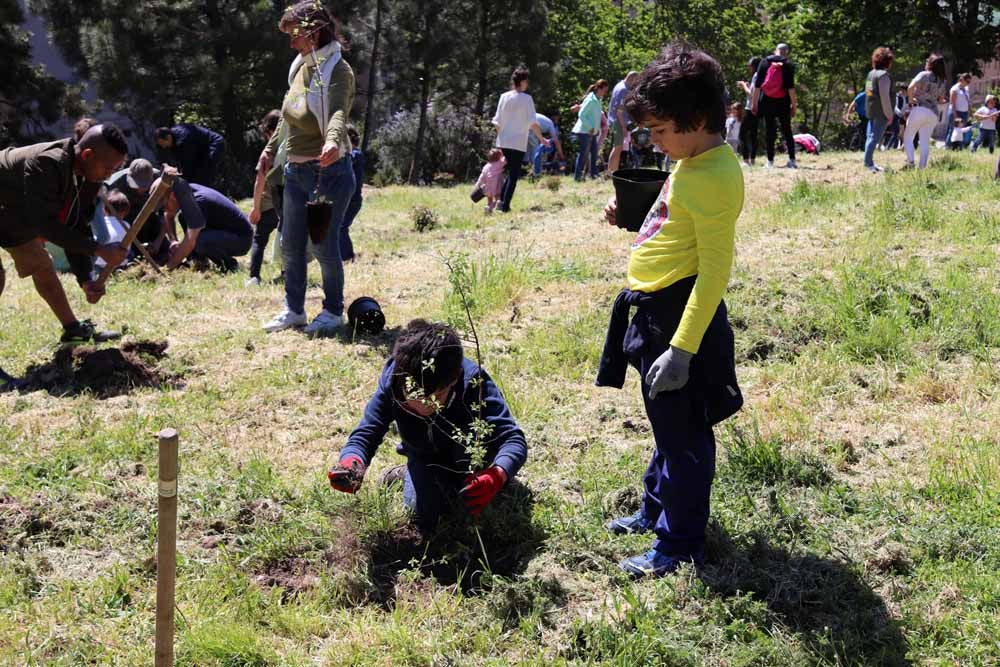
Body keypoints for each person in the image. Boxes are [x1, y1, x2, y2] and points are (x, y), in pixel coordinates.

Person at [598, 42, 743, 578]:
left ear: (697, 119)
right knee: (666, 426)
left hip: (681, 319)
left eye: (660, 131)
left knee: (683, 437)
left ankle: (679, 544)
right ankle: (654, 509)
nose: (654, 142)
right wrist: (635, 213)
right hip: (656, 311)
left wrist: (682, 351)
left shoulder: (714, 178)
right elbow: (676, 212)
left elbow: (714, 271)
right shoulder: (693, 162)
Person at [328, 319, 528, 530]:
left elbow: (512, 438)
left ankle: (471, 482)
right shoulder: (393, 381)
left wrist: (498, 473)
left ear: (455, 378)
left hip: (473, 463)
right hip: (425, 460)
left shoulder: (473, 383)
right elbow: (367, 433)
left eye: (438, 395)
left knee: (475, 512)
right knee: (423, 515)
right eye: (415, 394)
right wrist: (351, 463)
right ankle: (407, 474)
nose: (425, 405)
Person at [259, 1, 357, 336]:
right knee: (290, 243)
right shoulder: (299, 67)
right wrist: (270, 149)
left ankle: (332, 311)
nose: (291, 43)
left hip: (327, 173)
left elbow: (338, 114)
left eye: (294, 35)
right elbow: (289, 117)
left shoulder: (338, 71)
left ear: (313, 33)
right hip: (295, 173)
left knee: (323, 244)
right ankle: (294, 310)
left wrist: (332, 140)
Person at [0, 124, 129, 360]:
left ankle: (73, 330)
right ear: (88, 155)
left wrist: (85, 279)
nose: (110, 175)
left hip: (12, 214)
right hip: (13, 209)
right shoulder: (46, 163)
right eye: (109, 168)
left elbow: (76, 226)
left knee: (42, 265)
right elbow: (46, 226)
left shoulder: (89, 177)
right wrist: (99, 249)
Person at [158, 178, 252, 272]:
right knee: (183, 217)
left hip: (242, 239)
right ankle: (198, 260)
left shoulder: (199, 201)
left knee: (200, 241)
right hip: (223, 231)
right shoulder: (184, 191)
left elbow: (190, 241)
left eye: (164, 205)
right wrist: (173, 241)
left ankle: (230, 266)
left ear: (172, 196)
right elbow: (168, 214)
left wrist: (168, 268)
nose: (164, 209)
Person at [492, 67, 549, 213]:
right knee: (514, 174)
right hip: (517, 143)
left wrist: (502, 138)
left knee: (511, 171)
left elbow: (496, 122)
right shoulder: (527, 99)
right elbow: (533, 123)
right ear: (522, 82)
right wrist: (541, 138)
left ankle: (500, 202)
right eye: (526, 81)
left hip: (504, 141)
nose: (527, 84)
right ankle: (505, 206)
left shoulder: (504, 96)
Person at [247, 110, 282, 287]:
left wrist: (255, 207)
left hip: (268, 205)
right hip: (286, 205)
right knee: (287, 240)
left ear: (270, 131)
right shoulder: (290, 149)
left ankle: (254, 277)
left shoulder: (267, 154)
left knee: (259, 240)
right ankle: (286, 273)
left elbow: (259, 182)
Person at [752, 43, 798, 169]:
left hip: (767, 101)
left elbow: (757, 86)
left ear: (775, 51)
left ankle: (770, 161)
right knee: (787, 130)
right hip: (783, 102)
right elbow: (791, 89)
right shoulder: (788, 65)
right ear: (786, 52)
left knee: (770, 131)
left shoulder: (764, 62)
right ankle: (792, 160)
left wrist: (754, 103)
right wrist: (794, 106)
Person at [905, 54, 948, 169]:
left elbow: (910, 87)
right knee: (924, 141)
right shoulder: (942, 80)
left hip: (920, 109)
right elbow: (941, 99)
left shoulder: (923, 74)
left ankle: (910, 163)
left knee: (908, 136)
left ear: (930, 63)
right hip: (933, 113)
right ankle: (922, 167)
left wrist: (910, 100)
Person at [154, 123, 226, 189]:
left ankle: (209, 196)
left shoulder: (183, 139)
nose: (163, 147)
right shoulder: (173, 140)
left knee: (204, 174)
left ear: (168, 137)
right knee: (195, 175)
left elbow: (189, 164)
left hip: (214, 145)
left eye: (163, 143)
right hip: (202, 149)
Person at [863, 47, 895, 173]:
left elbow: (868, 92)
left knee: (870, 137)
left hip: (871, 109)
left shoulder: (871, 74)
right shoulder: (884, 76)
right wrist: (890, 114)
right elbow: (885, 97)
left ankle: (869, 162)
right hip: (881, 111)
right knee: (874, 138)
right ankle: (868, 164)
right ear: (887, 61)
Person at [571, 79, 607, 181]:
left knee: (594, 153)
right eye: (604, 90)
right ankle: (578, 177)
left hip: (593, 132)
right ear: (599, 89)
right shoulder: (590, 99)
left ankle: (594, 175)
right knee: (583, 155)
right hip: (585, 131)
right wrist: (590, 127)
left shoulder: (598, 99)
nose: (605, 93)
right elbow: (581, 114)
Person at [340, 125, 365, 262]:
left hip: (353, 200)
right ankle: (345, 256)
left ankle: (348, 256)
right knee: (340, 227)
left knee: (341, 227)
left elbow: (349, 159)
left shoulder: (356, 155)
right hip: (350, 199)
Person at [608, 72, 640, 174]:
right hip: (619, 122)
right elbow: (619, 112)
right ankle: (610, 172)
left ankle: (614, 171)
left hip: (615, 121)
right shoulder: (623, 90)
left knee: (618, 147)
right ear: (632, 78)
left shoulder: (619, 85)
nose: (635, 84)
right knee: (617, 148)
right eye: (636, 81)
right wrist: (623, 128)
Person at [93, 189, 131, 271]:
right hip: (118, 265)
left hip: (97, 263)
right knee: (131, 252)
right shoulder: (126, 225)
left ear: (104, 209)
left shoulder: (99, 223)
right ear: (125, 212)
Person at [736, 57, 761, 167]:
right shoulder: (762, 75)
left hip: (750, 108)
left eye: (750, 66)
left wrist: (743, 85)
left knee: (742, 134)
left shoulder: (756, 75)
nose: (749, 68)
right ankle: (753, 160)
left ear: (754, 66)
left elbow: (751, 94)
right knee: (753, 135)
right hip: (757, 109)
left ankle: (746, 160)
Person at [475, 148, 506, 214]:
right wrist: (503, 153)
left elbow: (482, 176)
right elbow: (505, 160)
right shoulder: (499, 163)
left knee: (489, 199)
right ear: (499, 157)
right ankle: (498, 205)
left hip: (488, 187)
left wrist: (478, 184)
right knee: (498, 197)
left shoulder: (486, 166)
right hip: (497, 185)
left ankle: (488, 207)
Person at [949, 73, 973, 147]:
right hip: (956, 112)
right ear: (962, 80)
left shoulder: (966, 89)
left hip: (964, 113)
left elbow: (967, 101)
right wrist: (956, 116)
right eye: (967, 81)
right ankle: (949, 146)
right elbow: (953, 104)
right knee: (953, 130)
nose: (968, 83)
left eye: (969, 82)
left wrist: (970, 111)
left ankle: (958, 147)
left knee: (961, 131)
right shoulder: (955, 89)